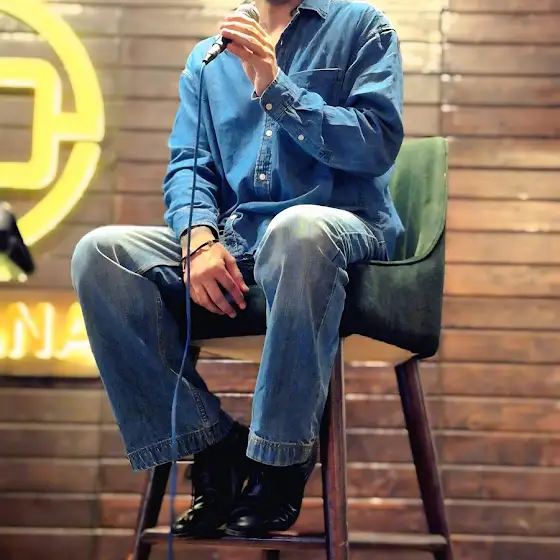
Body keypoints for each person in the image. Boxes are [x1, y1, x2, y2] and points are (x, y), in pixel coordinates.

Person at [71, 0, 403, 539]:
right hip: (239, 240)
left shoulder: (363, 27)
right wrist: (197, 239)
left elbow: (376, 144)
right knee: (101, 255)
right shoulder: (208, 57)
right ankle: (215, 445)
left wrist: (276, 87)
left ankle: (279, 462)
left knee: (298, 229)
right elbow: (190, 166)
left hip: (339, 230)